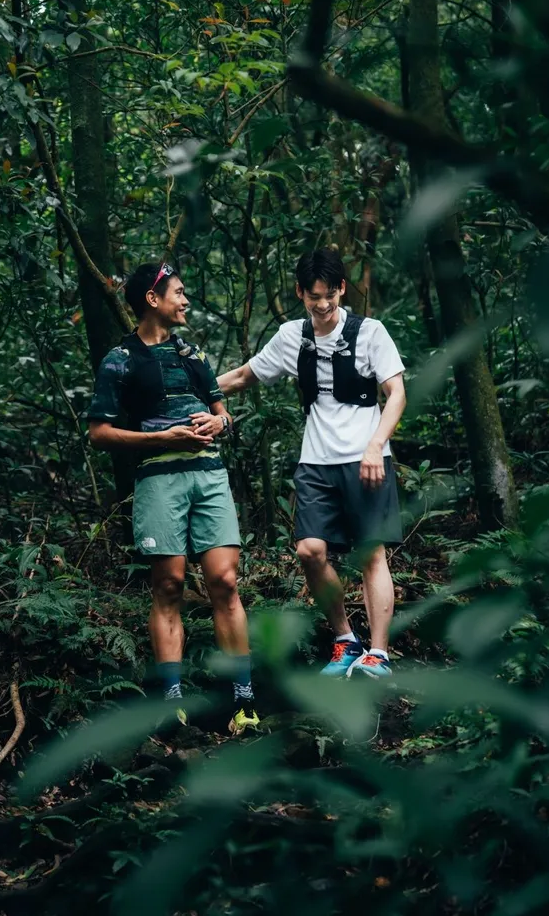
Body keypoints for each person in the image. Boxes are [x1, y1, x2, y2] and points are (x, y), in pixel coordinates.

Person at [88, 261, 259, 735]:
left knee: (224, 582)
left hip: (209, 476)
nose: (185, 300)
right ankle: (172, 704)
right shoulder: (119, 360)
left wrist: (218, 423)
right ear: (152, 299)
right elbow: (99, 433)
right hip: (159, 481)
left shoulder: (192, 353)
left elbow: (224, 414)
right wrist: (164, 439)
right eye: (178, 293)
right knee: (169, 586)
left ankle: (244, 701)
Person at [218, 248, 406, 680]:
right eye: (312, 296)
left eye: (329, 295)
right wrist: (191, 389)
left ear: (342, 288)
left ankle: (379, 653)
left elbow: (396, 393)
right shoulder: (292, 336)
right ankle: (345, 638)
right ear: (300, 293)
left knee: (370, 554)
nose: (322, 305)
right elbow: (245, 375)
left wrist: (377, 445)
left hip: (365, 458)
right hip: (316, 462)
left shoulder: (370, 333)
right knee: (310, 550)